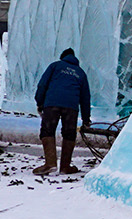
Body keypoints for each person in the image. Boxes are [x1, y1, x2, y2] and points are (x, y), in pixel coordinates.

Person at [33, 47, 91, 176]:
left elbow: (42, 84)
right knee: (69, 134)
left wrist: (40, 102)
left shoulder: (55, 66)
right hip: (71, 107)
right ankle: (65, 167)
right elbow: (85, 98)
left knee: (48, 130)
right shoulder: (81, 73)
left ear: (62, 57)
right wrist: (86, 119)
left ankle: (50, 164)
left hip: (52, 104)